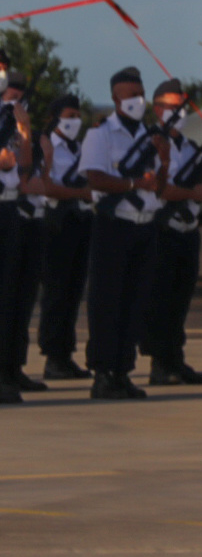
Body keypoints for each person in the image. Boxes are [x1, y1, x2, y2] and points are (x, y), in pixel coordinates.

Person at [80, 67, 164, 399]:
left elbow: (159, 186)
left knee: (135, 300)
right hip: (114, 225)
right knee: (107, 301)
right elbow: (95, 178)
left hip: (144, 224)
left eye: (140, 95)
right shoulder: (100, 134)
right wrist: (132, 183)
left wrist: (165, 159)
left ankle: (122, 371)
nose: (137, 102)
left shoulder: (149, 136)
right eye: (130, 96)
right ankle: (102, 373)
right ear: (116, 99)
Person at [140, 79, 202, 385]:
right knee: (161, 300)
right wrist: (189, 191)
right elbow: (160, 189)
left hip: (187, 229)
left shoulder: (186, 145)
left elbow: (195, 190)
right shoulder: (151, 143)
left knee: (180, 299)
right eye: (172, 107)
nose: (179, 112)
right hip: (164, 229)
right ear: (158, 109)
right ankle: (161, 364)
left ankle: (175, 359)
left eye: (182, 106)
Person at [37, 94, 92, 382]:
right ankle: (53, 357)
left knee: (73, 291)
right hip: (57, 223)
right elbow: (48, 188)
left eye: (77, 115)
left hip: (80, 221)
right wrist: (80, 193)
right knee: (56, 292)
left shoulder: (78, 148)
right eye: (69, 115)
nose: (75, 121)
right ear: (55, 118)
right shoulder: (48, 147)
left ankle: (65, 354)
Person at [0, 71, 42, 400]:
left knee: (10, 296)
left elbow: (25, 167)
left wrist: (24, 129)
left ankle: (8, 372)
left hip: (10, 210)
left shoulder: (15, 129)